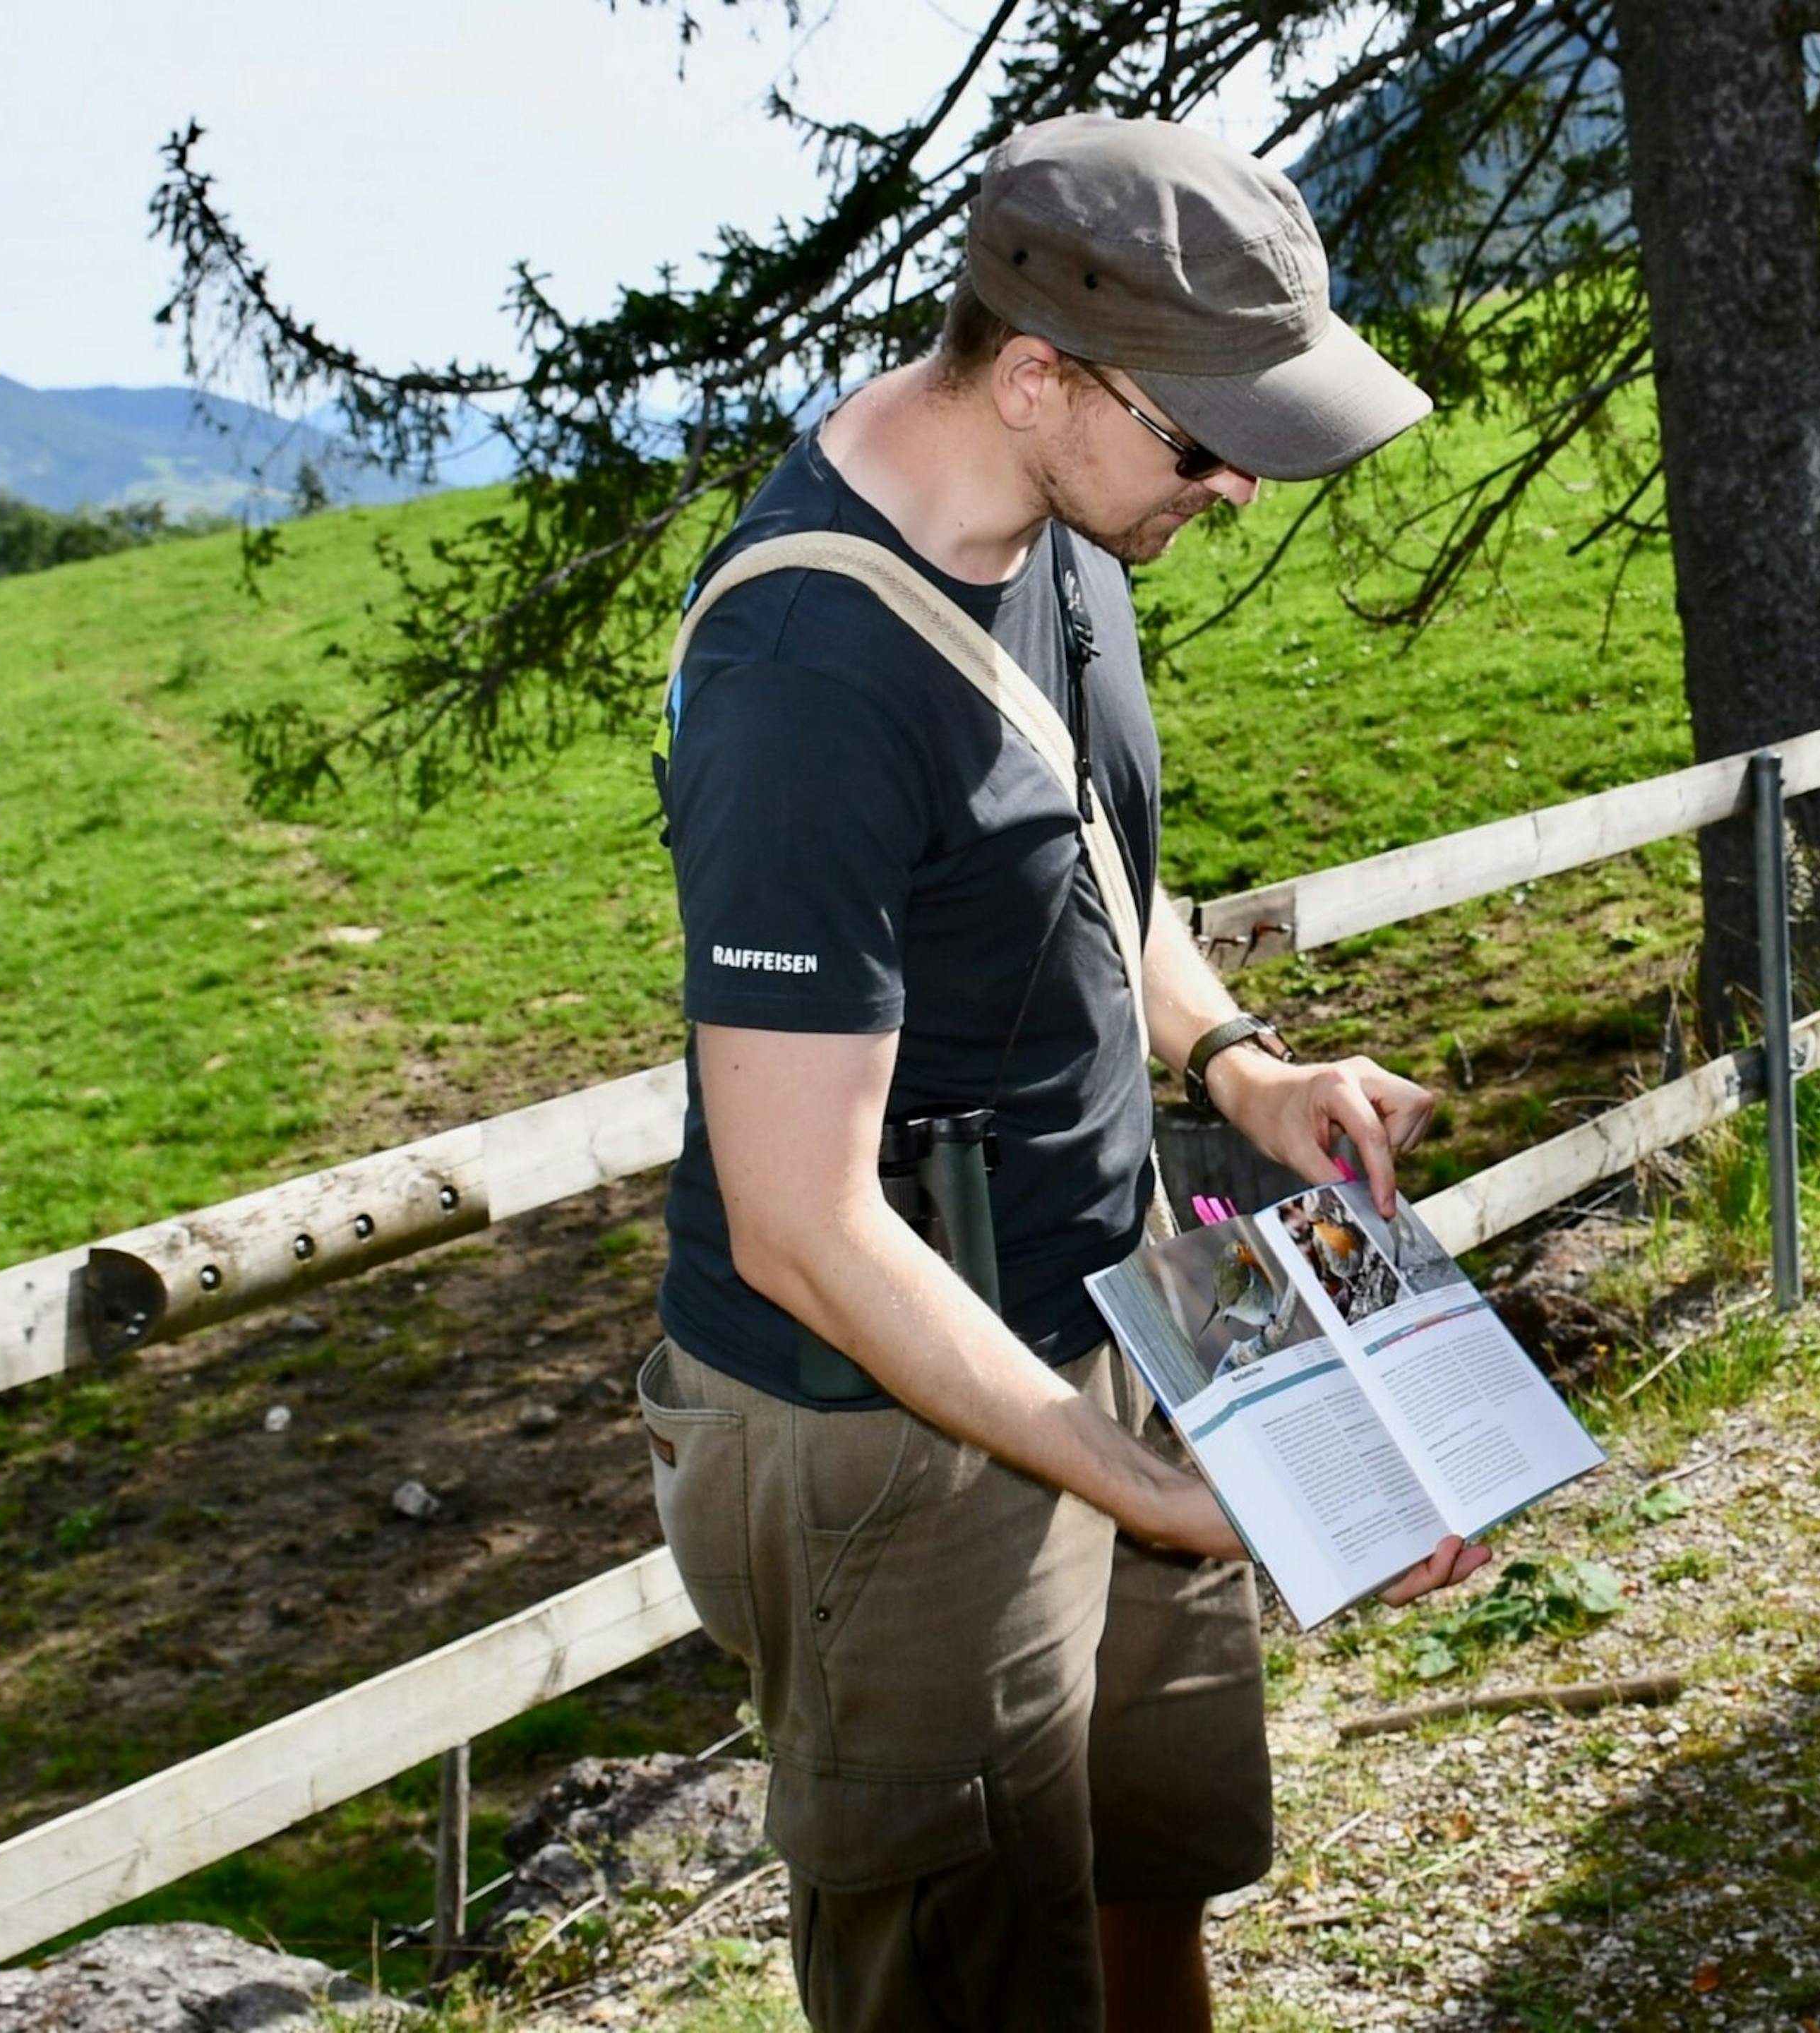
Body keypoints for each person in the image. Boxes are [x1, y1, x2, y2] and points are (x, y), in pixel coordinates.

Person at [636, 114, 1493, 2032]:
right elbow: (802, 1228)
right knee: (971, 1977)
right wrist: (1153, 1490)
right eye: (1209, 443)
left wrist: (1240, 1064)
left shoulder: (1066, 517)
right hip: (887, 1426)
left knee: (1139, 1876)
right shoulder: (808, 684)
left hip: (1113, 1305)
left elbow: (1093, 870)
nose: (1238, 489)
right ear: (1039, 374)